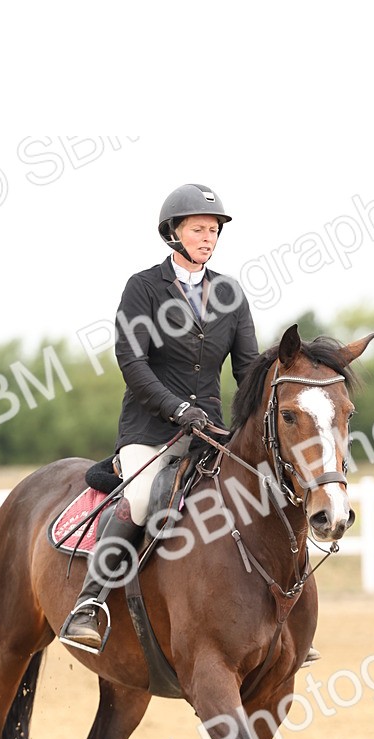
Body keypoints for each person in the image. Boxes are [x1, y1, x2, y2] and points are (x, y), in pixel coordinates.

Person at [59, 183, 259, 652]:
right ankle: (90, 603)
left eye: (213, 231)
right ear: (173, 232)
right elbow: (132, 362)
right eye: (198, 229)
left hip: (210, 431)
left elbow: (248, 370)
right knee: (147, 497)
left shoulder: (230, 294)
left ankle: (276, 613)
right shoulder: (144, 288)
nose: (208, 238)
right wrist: (176, 408)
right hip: (150, 429)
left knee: (259, 495)